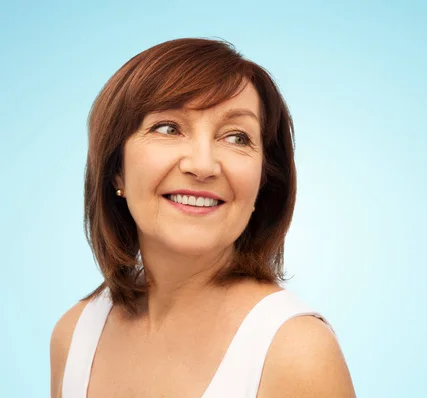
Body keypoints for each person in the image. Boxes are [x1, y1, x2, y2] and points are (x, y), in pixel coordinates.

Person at [49, 38, 355, 397]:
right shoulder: (75, 335)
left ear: (263, 181)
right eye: (168, 128)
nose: (203, 165)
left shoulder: (296, 352)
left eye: (237, 137)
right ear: (116, 170)